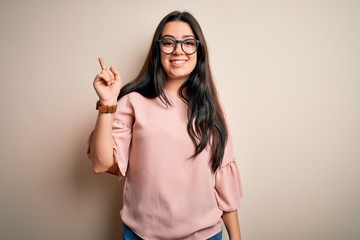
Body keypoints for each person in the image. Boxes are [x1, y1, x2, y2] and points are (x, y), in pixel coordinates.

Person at [88, 11, 243, 240]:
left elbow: (222, 176)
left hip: (206, 236)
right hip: (142, 235)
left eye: (188, 43)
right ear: (158, 49)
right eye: (169, 42)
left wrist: (236, 237)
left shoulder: (211, 104)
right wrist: (107, 102)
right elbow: (101, 163)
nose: (178, 50)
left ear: (199, 51)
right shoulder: (133, 101)